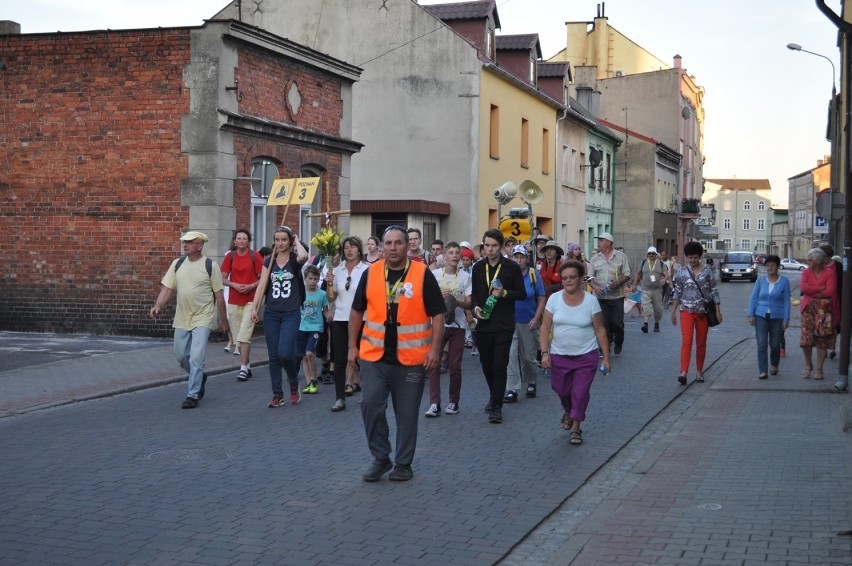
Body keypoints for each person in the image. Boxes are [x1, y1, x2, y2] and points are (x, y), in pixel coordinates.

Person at [349, 225, 445, 482]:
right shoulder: (371, 273)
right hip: (374, 356)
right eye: (388, 243)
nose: (392, 248)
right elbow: (357, 311)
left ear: (407, 246)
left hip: (412, 359)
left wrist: (435, 350)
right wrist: (351, 347)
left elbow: (438, 313)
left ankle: (403, 463)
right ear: (382, 247)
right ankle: (381, 458)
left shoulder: (422, 274)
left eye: (397, 243)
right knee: (370, 404)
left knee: (406, 414)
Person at [149, 231, 229, 409]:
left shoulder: (210, 266)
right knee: (180, 355)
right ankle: (199, 375)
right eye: (184, 242)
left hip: (203, 316)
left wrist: (224, 321)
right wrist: (158, 306)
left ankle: (192, 394)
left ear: (199, 245)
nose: (185, 245)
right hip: (182, 317)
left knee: (196, 357)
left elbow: (219, 296)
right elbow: (167, 288)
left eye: (190, 242)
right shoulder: (177, 264)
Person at [539, 260, 611, 446]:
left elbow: (600, 330)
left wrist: (606, 359)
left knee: (580, 392)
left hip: (586, 356)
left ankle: (576, 428)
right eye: (564, 278)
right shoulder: (554, 299)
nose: (568, 281)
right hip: (559, 355)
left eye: (572, 277)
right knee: (561, 390)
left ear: (580, 279)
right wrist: (545, 353)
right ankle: (569, 411)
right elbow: (545, 327)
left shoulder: (591, 301)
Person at [471, 229, 526, 424]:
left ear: (501, 247)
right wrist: (476, 307)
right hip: (484, 323)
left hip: (504, 323)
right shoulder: (478, 268)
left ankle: (496, 406)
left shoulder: (511, 267)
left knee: (499, 365)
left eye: (494, 246)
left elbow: (521, 293)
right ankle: (494, 396)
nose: (490, 249)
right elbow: (476, 294)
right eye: (487, 245)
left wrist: (504, 294)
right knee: (486, 365)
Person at [251, 225, 308, 408]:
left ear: (290, 241)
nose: (280, 243)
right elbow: (261, 286)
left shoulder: (293, 260)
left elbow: (304, 256)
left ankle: (293, 381)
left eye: (284, 239)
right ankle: (277, 394)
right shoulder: (269, 261)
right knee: (274, 356)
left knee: (285, 352)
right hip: (272, 313)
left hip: (291, 312)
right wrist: (255, 308)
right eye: (277, 239)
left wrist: (297, 240)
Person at [424, 242, 472, 417]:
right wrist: (438, 296)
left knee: (454, 365)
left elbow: (469, 302)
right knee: (433, 364)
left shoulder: (465, 277)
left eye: (457, 253)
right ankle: (434, 403)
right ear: (444, 256)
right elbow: (425, 298)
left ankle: (453, 402)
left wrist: (455, 301)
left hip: (457, 325)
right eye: (451, 252)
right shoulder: (435, 274)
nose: (454, 255)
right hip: (437, 325)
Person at [326, 236, 369, 411]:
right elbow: (331, 297)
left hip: (363, 319)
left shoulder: (367, 269)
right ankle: (339, 397)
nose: (349, 250)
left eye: (352, 247)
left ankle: (366, 394)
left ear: (359, 249)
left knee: (363, 358)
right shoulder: (337, 270)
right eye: (346, 248)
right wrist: (329, 284)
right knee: (340, 358)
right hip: (341, 319)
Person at [670, 241, 722, 384]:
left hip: (703, 312)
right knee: (686, 342)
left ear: (700, 256)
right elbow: (677, 292)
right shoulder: (681, 272)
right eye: (690, 257)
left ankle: (699, 371)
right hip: (686, 311)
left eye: (695, 257)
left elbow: (714, 291)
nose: (692, 260)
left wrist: (718, 310)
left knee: (701, 342)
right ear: (686, 257)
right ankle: (684, 371)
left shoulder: (707, 271)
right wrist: (673, 311)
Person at [220, 228, 264, 382]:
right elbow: (222, 277)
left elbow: (263, 278)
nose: (241, 241)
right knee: (239, 337)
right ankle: (248, 366)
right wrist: (234, 284)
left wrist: (251, 286)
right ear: (235, 241)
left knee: (245, 335)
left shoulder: (255, 256)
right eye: (239, 238)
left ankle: (243, 368)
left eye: (244, 239)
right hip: (233, 299)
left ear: (249, 241)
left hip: (251, 300)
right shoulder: (230, 257)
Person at [505, 245, 545, 402]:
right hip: (510, 320)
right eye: (516, 257)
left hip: (528, 321)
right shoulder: (507, 275)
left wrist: (536, 318)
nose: (519, 260)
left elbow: (541, 298)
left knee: (528, 357)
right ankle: (512, 389)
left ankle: (531, 380)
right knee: (510, 355)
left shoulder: (533, 275)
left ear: (527, 259)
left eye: (521, 257)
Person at [747, 255, 790, 379]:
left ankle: (774, 364)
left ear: (777, 267)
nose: (770, 268)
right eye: (768, 265)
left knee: (775, 345)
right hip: (760, 315)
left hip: (778, 317)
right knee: (761, 344)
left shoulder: (784, 281)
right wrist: (750, 314)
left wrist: (786, 319)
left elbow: (787, 301)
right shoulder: (761, 280)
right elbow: (753, 297)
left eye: (772, 265)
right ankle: (763, 371)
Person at [588, 233, 631, 354]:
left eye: (601, 240)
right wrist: (595, 287)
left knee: (617, 324)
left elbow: (627, 274)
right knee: (604, 324)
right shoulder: (595, 259)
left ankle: (618, 341)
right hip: (601, 298)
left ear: (609, 242)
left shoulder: (621, 257)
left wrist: (618, 282)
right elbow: (589, 277)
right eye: (599, 240)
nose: (599, 242)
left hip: (616, 296)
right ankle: (605, 346)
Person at [799, 248, 837, 380]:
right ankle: (808, 364)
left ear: (819, 261)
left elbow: (830, 291)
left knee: (822, 339)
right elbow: (803, 288)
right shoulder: (806, 272)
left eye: (810, 259)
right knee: (806, 339)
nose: (807, 261)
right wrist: (820, 289)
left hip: (824, 310)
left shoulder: (830, 272)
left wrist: (812, 291)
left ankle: (819, 369)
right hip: (808, 309)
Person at [298, 265, 330, 394]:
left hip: (316, 327)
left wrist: (329, 317)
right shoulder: (301, 293)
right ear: (305, 279)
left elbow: (326, 311)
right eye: (310, 278)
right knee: (304, 357)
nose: (312, 281)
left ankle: (314, 380)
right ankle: (308, 382)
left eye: (315, 279)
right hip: (301, 327)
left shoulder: (322, 294)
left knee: (310, 353)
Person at [632, 246, 668, 334]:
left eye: (653, 253)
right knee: (645, 306)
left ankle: (656, 323)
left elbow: (667, 274)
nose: (651, 255)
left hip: (657, 290)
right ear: (647, 255)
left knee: (657, 309)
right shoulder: (643, 262)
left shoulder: (661, 263)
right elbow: (638, 273)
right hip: (646, 289)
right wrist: (635, 284)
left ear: (656, 254)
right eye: (649, 253)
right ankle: (645, 325)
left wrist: (664, 279)